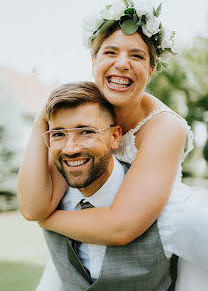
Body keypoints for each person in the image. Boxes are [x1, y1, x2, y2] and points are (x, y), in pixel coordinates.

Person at [18, 0, 208, 290]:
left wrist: (49, 221)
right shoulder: (79, 109)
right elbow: (32, 207)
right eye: (110, 52)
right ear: (93, 61)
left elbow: (121, 226)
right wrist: (42, 118)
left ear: (152, 69)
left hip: (160, 228)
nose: (122, 64)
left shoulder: (166, 127)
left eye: (136, 55)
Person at [36, 81, 177, 290]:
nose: (70, 148)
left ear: (115, 137)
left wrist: (45, 220)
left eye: (85, 132)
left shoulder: (172, 212)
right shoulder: (49, 199)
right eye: (58, 134)